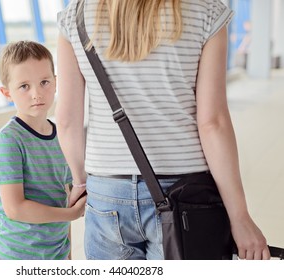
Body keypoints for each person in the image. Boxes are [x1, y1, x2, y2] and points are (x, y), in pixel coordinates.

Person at [55, 0, 270, 260]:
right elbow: (213, 123)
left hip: (108, 192)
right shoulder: (207, 11)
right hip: (184, 194)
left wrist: (81, 180)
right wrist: (240, 217)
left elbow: (67, 120)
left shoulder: (75, 16)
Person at [0, 40, 86, 260]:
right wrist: (70, 215)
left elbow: (64, 196)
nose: (37, 94)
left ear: (56, 83)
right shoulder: (9, 140)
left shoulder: (61, 135)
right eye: (24, 86)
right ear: (7, 93)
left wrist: (68, 255)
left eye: (44, 82)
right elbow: (15, 208)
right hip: (16, 256)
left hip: (55, 254)